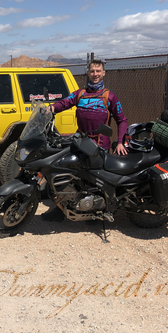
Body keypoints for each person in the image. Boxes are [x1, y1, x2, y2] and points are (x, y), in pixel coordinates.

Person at [41, 59, 129, 222]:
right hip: (80, 142)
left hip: (99, 146)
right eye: (92, 71)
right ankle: (61, 209)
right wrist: (51, 108)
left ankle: (98, 212)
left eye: (98, 71)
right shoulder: (79, 94)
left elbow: (122, 120)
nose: (95, 74)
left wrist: (121, 142)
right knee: (64, 172)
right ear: (87, 73)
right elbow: (64, 103)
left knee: (95, 181)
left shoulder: (110, 96)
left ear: (103, 73)